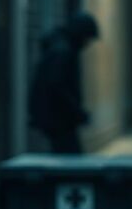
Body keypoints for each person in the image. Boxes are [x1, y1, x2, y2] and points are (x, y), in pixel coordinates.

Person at [28, 13, 99, 153]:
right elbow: (57, 86)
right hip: (59, 120)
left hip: (56, 118)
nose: (87, 44)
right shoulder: (63, 52)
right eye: (87, 38)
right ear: (80, 34)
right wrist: (77, 112)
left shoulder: (60, 48)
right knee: (70, 160)